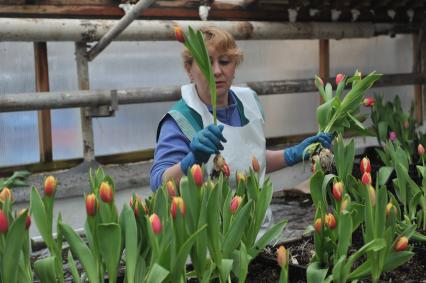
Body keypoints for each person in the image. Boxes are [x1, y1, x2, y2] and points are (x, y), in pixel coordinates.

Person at [150, 26, 332, 192]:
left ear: (235, 66)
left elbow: (249, 159)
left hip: (259, 224)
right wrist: (191, 160)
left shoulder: (249, 102)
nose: (217, 71)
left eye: (224, 61)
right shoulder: (182, 119)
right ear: (189, 69)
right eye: (206, 63)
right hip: (212, 226)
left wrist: (293, 154)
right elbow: (158, 184)